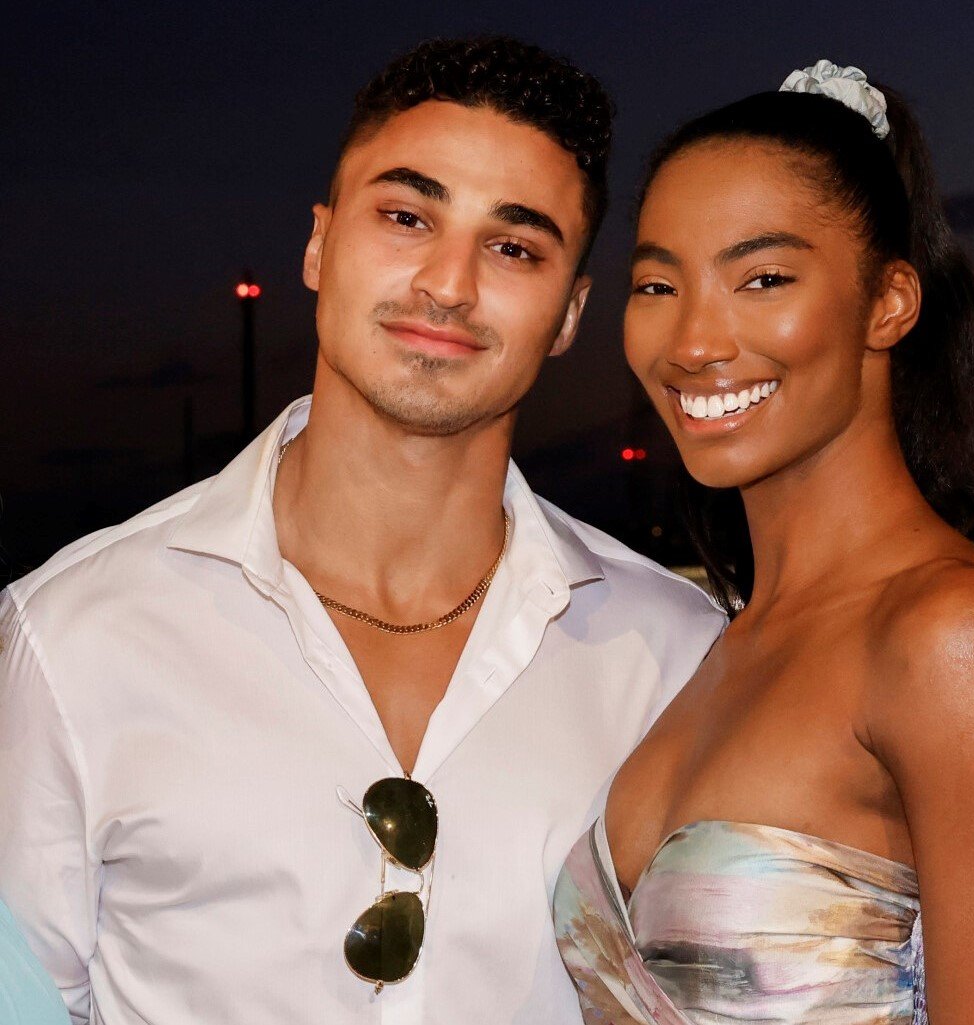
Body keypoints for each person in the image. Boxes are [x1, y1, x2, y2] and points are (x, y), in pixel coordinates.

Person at [0, 37, 722, 1024]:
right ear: (318, 243)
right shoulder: (74, 633)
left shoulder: (677, 657)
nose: (448, 282)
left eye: (513, 247)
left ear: (568, 313)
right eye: (406, 216)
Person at [552, 62, 974, 1024]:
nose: (694, 340)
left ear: (888, 302)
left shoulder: (951, 634)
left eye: (762, 278)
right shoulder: (713, 645)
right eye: (658, 283)